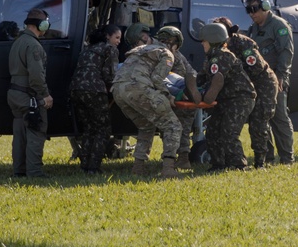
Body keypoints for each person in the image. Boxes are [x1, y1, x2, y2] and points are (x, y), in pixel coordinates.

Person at [126, 23, 202, 169]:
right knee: (180, 128)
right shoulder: (173, 53)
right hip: (180, 89)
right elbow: (191, 72)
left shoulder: (158, 52)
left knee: (175, 128)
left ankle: (181, 159)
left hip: (175, 91)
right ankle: (182, 159)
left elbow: (158, 78)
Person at [111, 26, 183, 179]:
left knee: (146, 126)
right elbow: (157, 78)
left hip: (118, 90)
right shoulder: (167, 53)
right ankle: (168, 168)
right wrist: (167, 95)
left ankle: (138, 167)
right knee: (173, 125)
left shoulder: (142, 49)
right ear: (173, 43)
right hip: (138, 88)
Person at [213, 16, 278, 168]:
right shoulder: (217, 46)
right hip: (243, 87)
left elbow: (255, 68)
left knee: (258, 122)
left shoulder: (242, 43)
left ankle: (261, 161)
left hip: (263, 84)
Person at [244, 0, 295, 165]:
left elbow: (286, 53)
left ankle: (287, 159)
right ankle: (267, 157)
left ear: (265, 7)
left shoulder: (279, 26)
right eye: (248, 10)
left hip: (275, 80)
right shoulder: (254, 28)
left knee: (279, 118)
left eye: (255, 9)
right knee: (260, 119)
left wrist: (280, 76)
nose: (252, 14)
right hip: (258, 81)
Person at [198, 22, 256, 172]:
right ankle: (219, 164)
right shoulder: (210, 58)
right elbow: (202, 77)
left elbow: (216, 78)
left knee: (229, 132)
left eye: (203, 41)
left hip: (240, 98)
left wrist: (204, 93)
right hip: (225, 100)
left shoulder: (224, 56)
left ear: (212, 39)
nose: (202, 44)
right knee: (212, 131)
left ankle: (238, 165)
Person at [7, 7, 55, 178]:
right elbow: (36, 75)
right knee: (36, 130)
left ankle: (19, 171)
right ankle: (34, 172)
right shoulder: (33, 45)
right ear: (41, 25)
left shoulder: (18, 41)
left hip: (15, 94)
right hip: (29, 96)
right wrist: (45, 95)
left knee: (20, 133)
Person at [69, 24, 121, 174]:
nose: (118, 41)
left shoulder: (88, 49)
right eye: (116, 37)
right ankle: (94, 167)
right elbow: (108, 75)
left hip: (75, 90)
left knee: (89, 129)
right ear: (107, 37)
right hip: (95, 90)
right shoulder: (109, 49)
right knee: (103, 129)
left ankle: (85, 165)